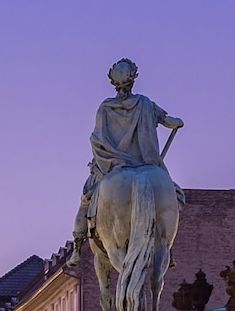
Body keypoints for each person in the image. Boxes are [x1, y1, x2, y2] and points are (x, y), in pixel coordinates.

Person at [74, 59, 183, 245]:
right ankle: (167, 248)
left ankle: (77, 244)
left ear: (113, 83)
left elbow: (97, 139)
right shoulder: (145, 103)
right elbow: (169, 121)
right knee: (172, 195)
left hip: (112, 165)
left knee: (86, 198)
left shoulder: (105, 108)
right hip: (146, 163)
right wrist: (178, 122)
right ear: (133, 80)